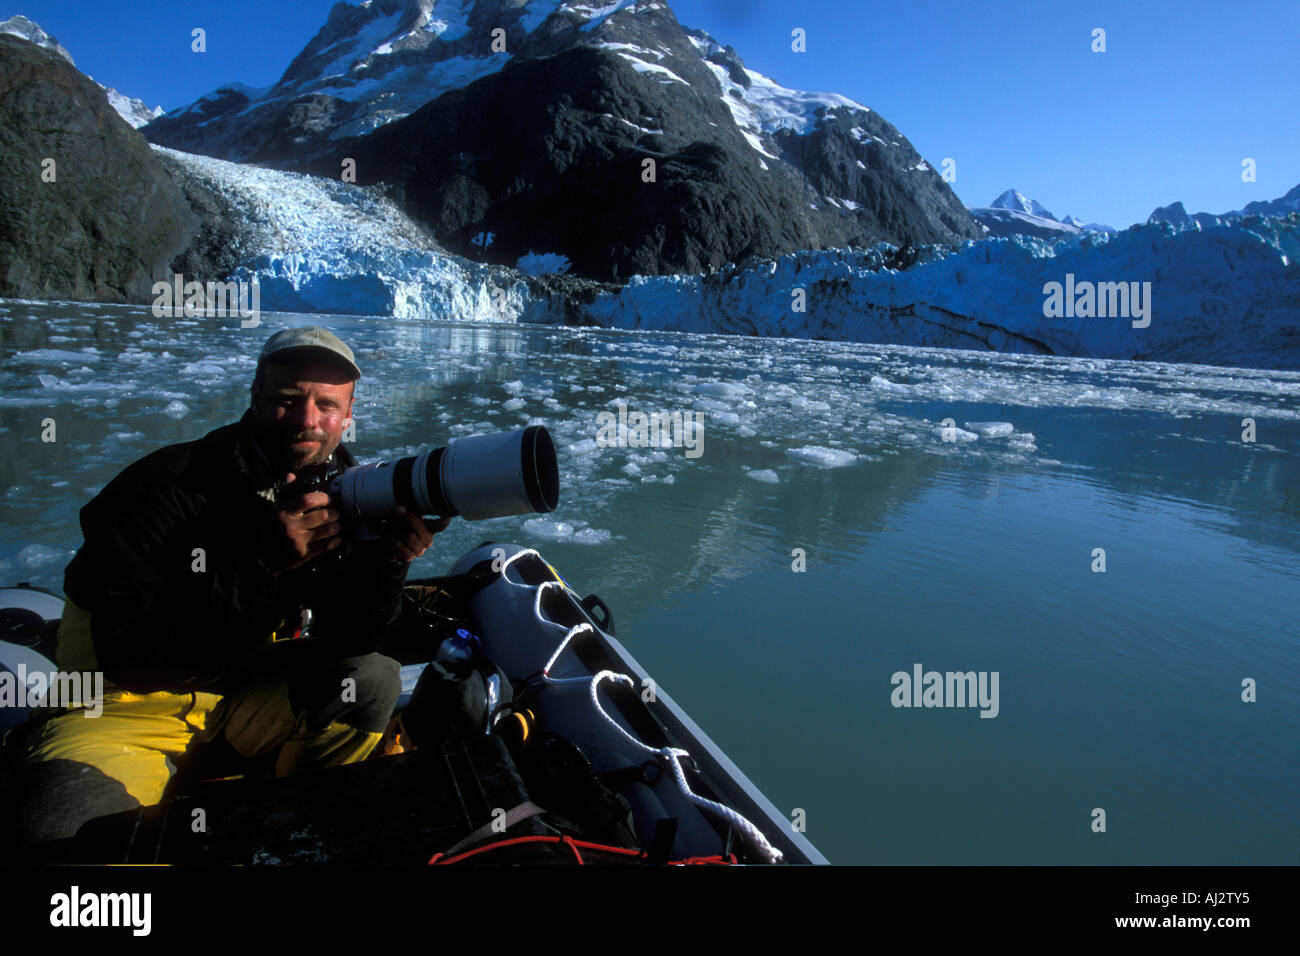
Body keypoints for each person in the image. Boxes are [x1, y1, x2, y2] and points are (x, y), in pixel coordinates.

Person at [2, 326, 450, 849]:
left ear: (348, 416)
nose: (308, 420)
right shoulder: (161, 489)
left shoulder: (344, 492)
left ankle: (299, 828)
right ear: (256, 400)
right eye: (287, 400)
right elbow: (135, 656)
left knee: (370, 679)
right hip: (118, 707)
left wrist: (387, 562)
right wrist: (262, 562)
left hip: (236, 699)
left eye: (327, 406)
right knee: (63, 840)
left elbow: (353, 639)